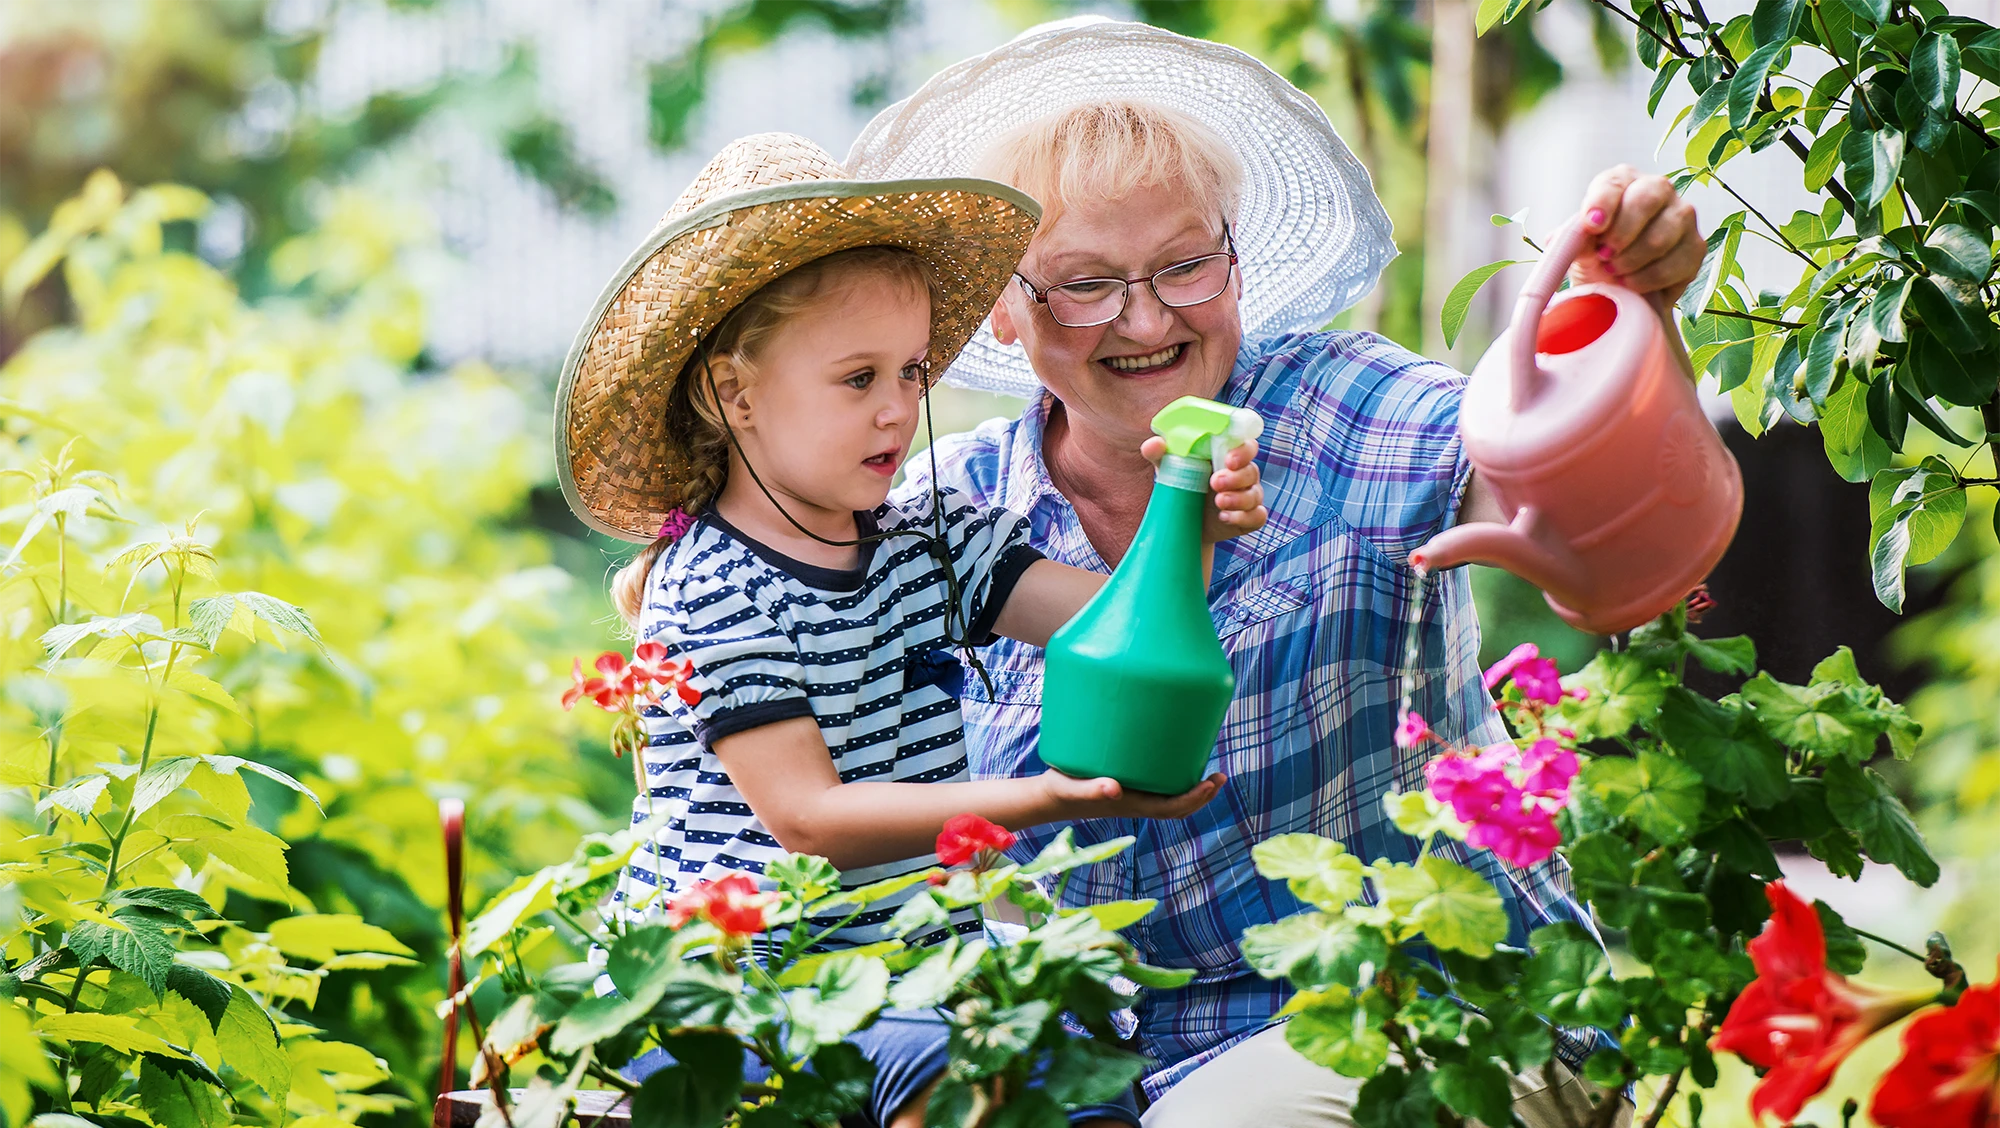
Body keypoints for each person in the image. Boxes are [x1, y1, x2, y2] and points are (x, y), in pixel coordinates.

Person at [845, 18, 1708, 1127]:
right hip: (1109, 1048)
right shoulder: (945, 522)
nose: (1147, 318)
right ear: (1004, 311)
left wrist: (1637, 310)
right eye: (1083, 284)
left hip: (1433, 1002)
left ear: (1235, 255)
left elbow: (1589, 522)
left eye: (1183, 264)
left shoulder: (1353, 408)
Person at [550, 132, 1270, 1128]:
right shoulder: (710, 588)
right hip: (743, 989)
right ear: (734, 391)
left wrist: (1189, 507)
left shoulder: (923, 541)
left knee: (1082, 1086)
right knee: (982, 1088)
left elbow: (1118, 628)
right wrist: (1042, 800)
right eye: (857, 380)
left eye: (912, 375)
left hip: (908, 975)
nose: (896, 412)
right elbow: (807, 821)